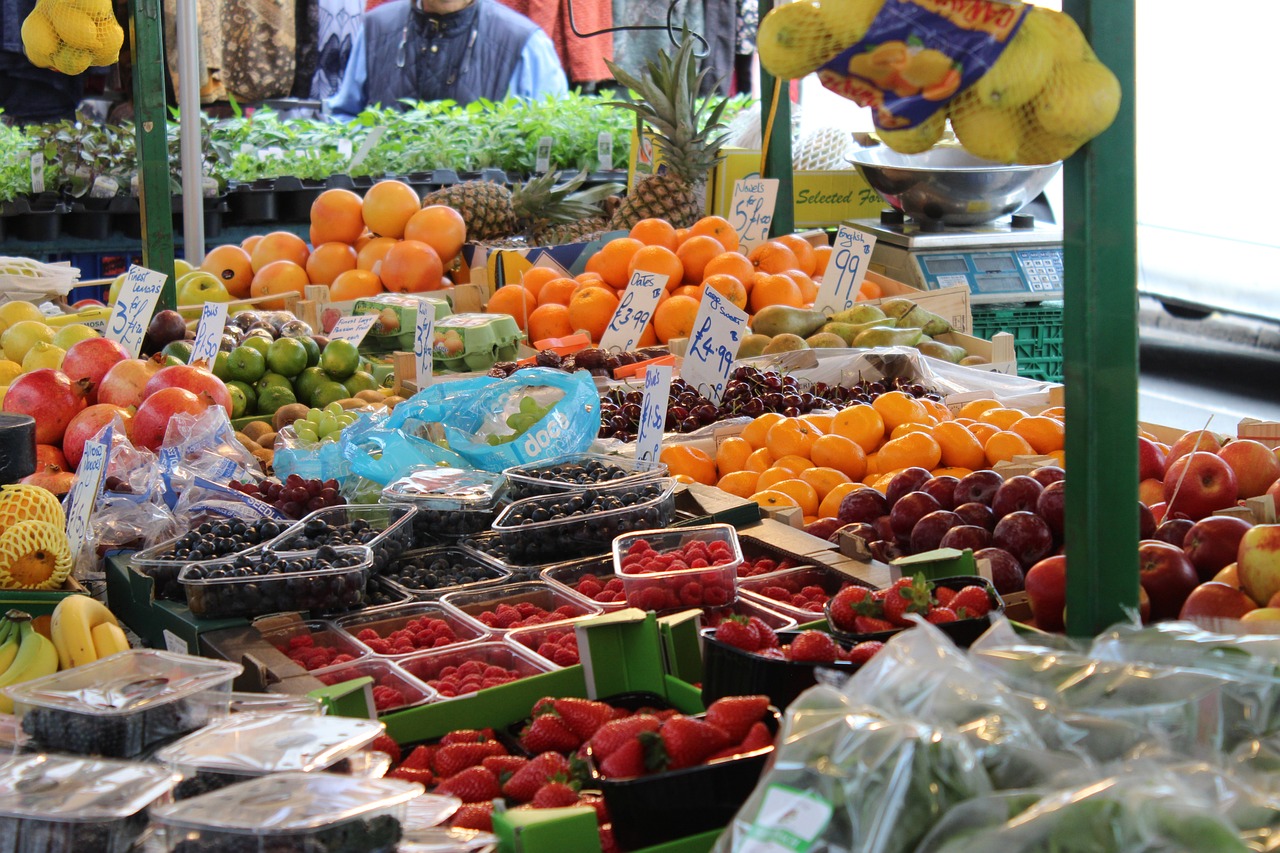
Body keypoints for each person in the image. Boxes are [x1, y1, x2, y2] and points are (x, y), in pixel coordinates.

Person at [326, 0, 568, 118]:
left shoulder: (524, 42)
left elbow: (553, 135)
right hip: (384, 208)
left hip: (489, 213)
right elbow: (344, 118)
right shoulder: (375, 28)